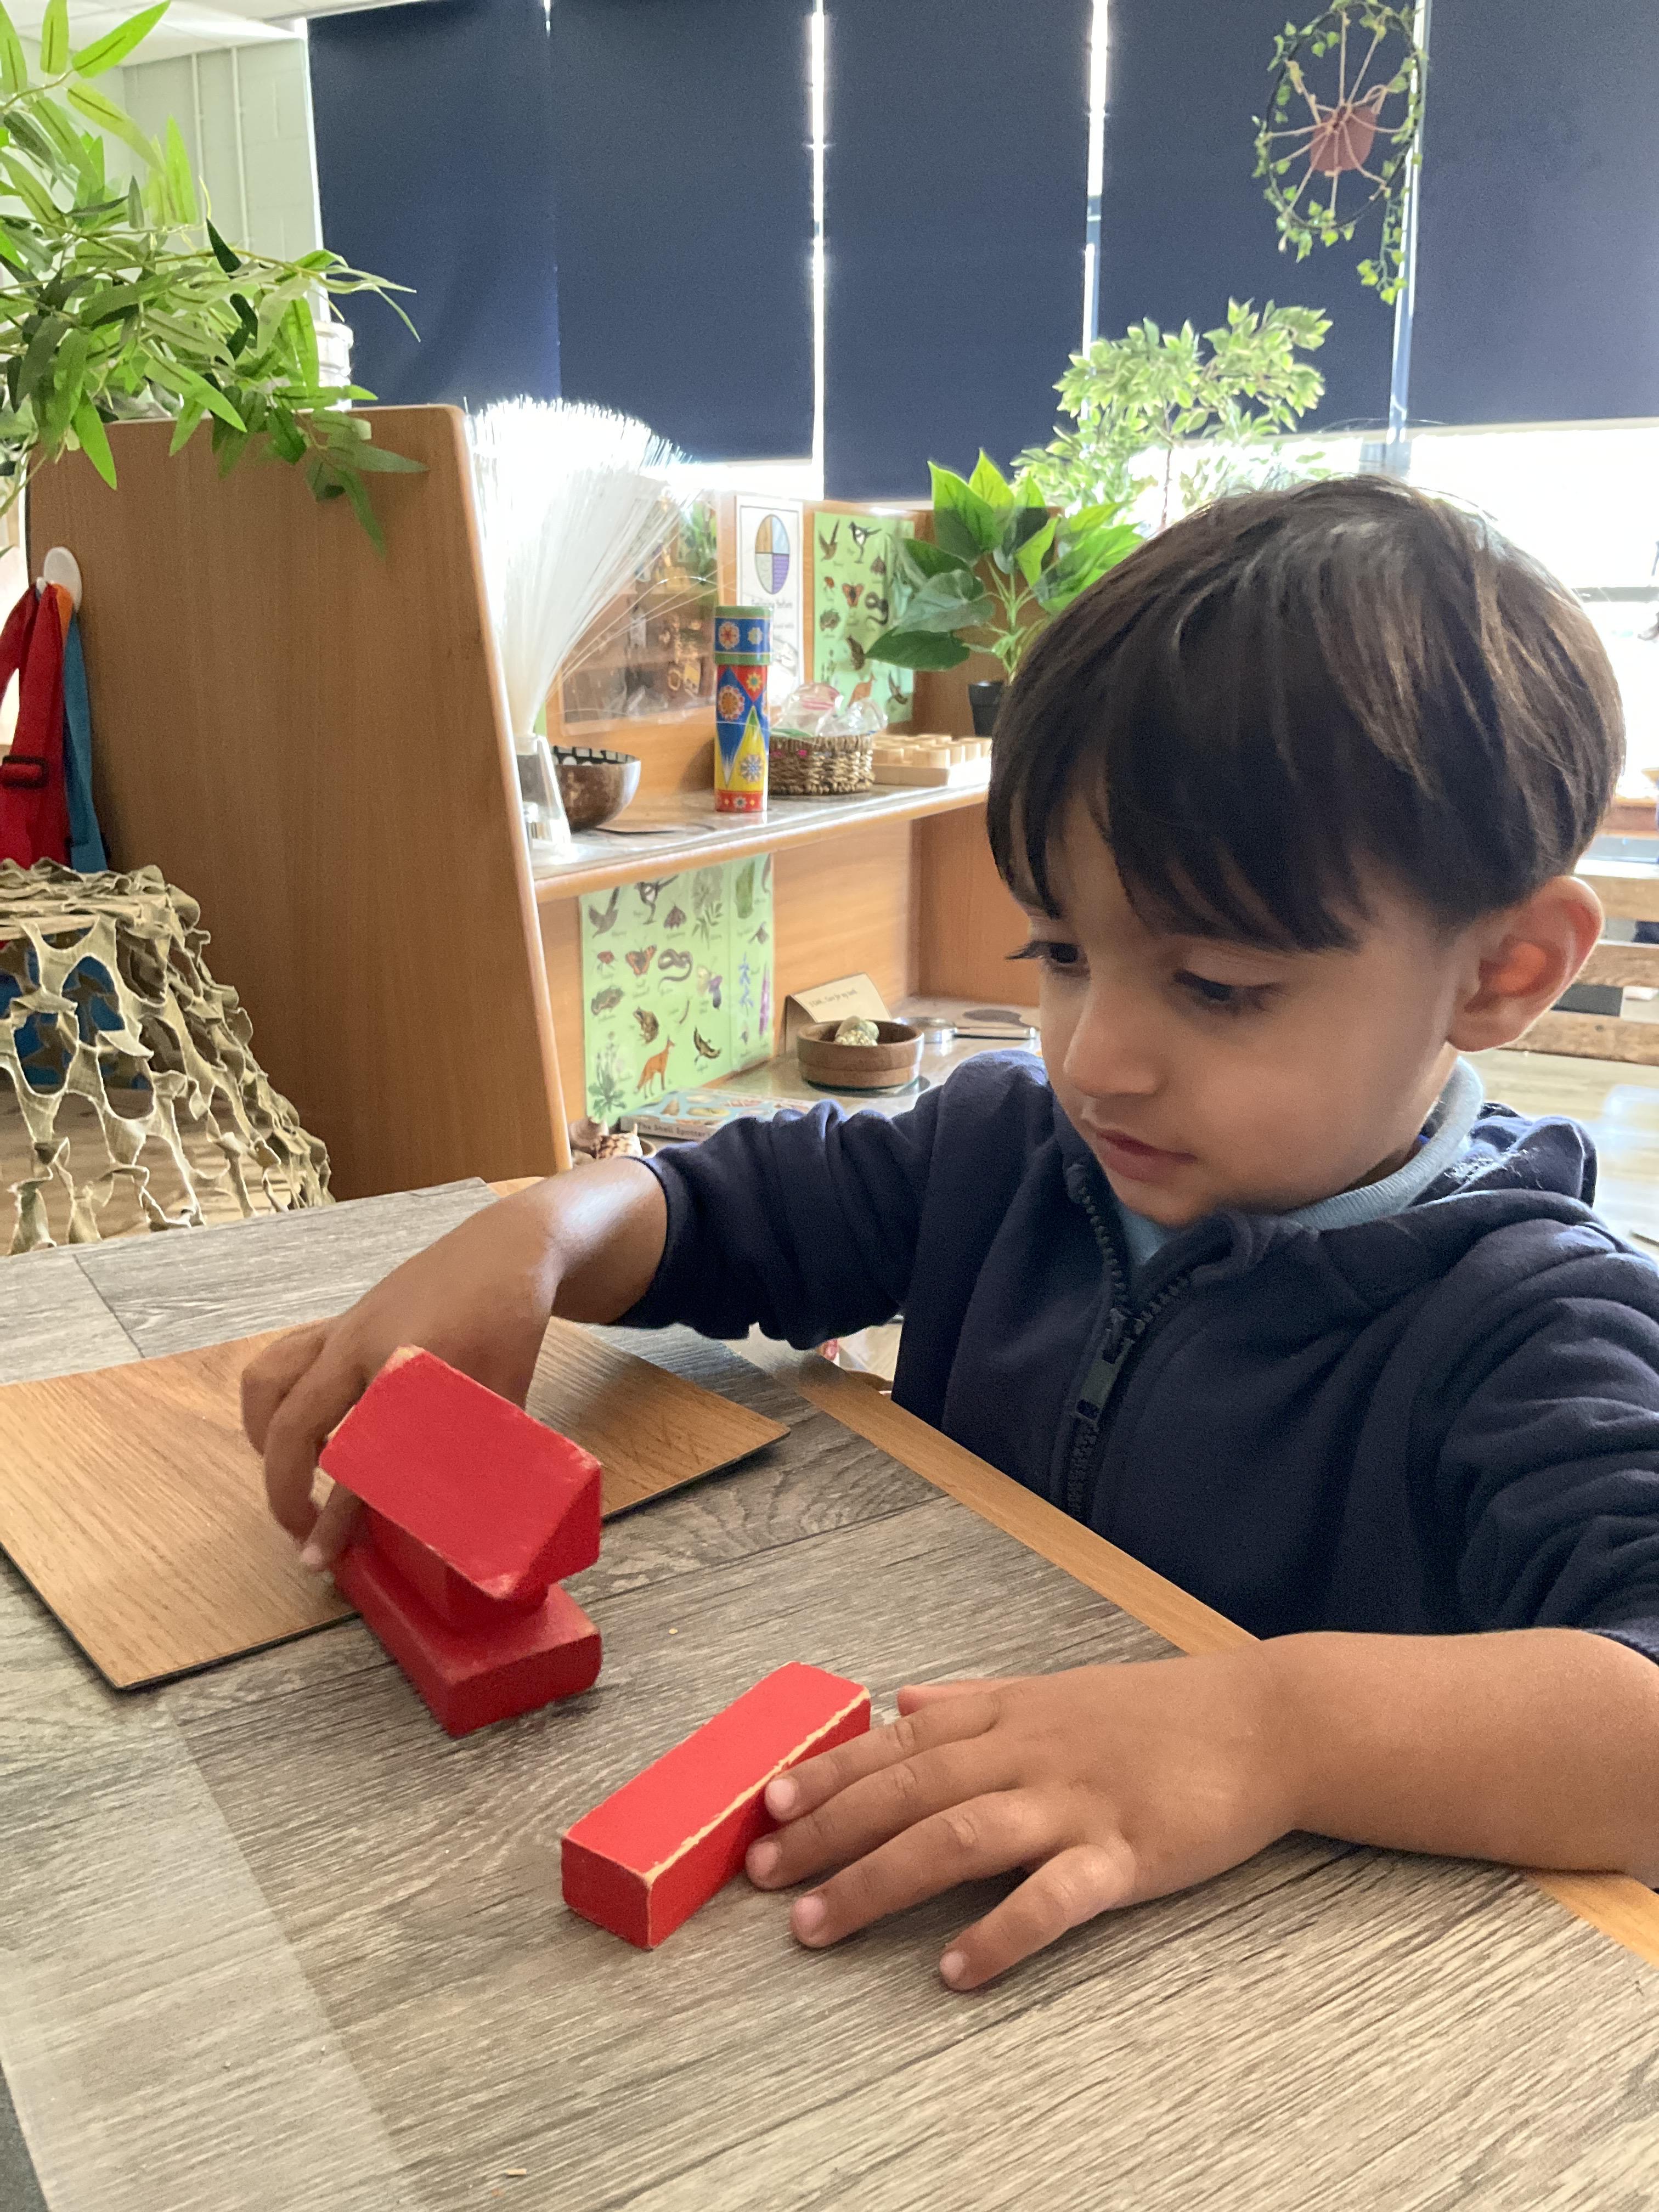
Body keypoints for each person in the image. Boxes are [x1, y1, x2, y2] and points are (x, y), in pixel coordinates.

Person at [244, 477, 1659, 1991]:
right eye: (1062, 950)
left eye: (1219, 988)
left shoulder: (1536, 1321)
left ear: (1504, 972)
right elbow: (732, 1210)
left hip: (1273, 2006)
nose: (1095, 1057)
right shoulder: (1012, 1148)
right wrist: (535, 1232)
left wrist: (1271, 1730)